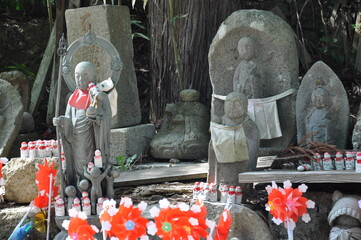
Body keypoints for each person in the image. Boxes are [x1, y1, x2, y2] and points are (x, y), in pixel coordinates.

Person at [53, 61, 112, 192]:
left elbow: (107, 119)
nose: (81, 79)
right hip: (74, 140)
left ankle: (94, 190)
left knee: (91, 165)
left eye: (85, 75)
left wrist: (97, 119)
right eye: (77, 76)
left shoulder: (99, 97)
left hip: (92, 140)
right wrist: (61, 122)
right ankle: (78, 193)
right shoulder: (72, 98)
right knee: (77, 167)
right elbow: (68, 119)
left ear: (94, 77)